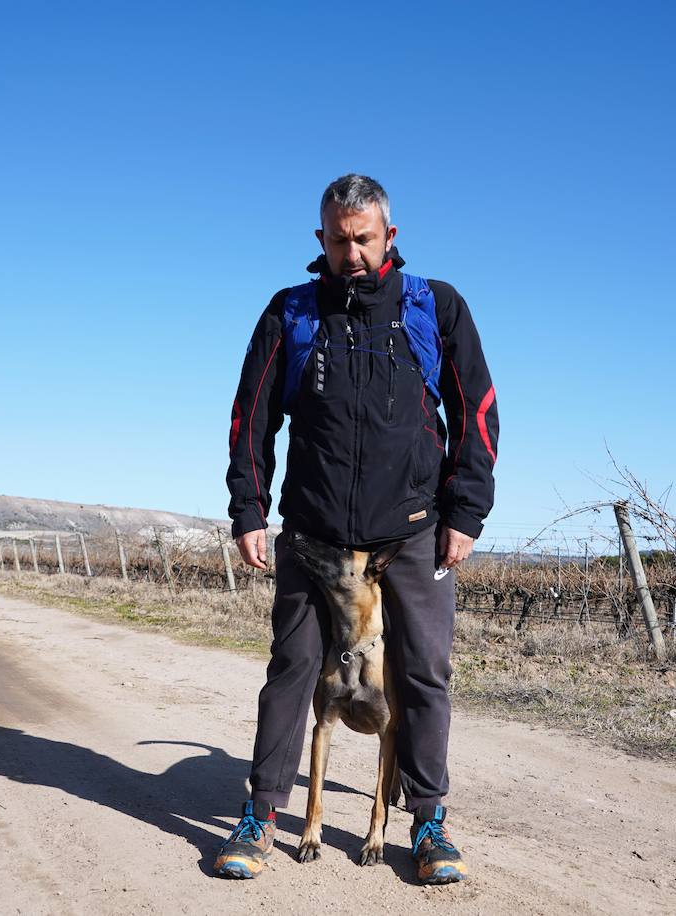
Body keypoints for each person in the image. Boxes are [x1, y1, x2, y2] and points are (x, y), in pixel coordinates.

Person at [218, 174, 498, 884]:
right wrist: (249, 509)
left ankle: (428, 821)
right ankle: (261, 815)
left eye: (363, 238)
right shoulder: (291, 313)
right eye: (338, 240)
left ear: (389, 237)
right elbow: (250, 419)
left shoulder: (435, 307)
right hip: (312, 535)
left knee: (424, 673)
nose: (351, 252)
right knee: (292, 670)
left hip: (411, 533)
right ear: (321, 240)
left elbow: (479, 412)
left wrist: (465, 513)